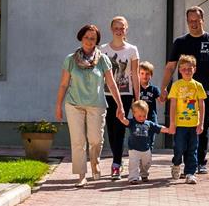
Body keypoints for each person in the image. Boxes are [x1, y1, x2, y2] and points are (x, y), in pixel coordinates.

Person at [54, 24, 125, 188]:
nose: (89, 41)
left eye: (92, 38)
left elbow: (112, 84)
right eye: (86, 37)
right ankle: (81, 175)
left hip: (96, 104)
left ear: (97, 41)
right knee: (78, 141)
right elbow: (64, 85)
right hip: (74, 104)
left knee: (96, 139)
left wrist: (120, 105)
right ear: (81, 38)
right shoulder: (70, 59)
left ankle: (95, 162)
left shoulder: (102, 59)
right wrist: (58, 105)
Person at [160, 6, 209, 174]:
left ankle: (200, 162)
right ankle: (183, 162)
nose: (193, 24)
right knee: (182, 129)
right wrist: (164, 87)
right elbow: (170, 67)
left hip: (204, 94)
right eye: (190, 21)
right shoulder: (180, 42)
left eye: (196, 21)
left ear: (202, 20)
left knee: (201, 127)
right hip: (182, 96)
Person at [100, 16, 140, 180]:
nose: (119, 30)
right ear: (111, 29)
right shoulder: (103, 49)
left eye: (122, 28)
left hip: (125, 94)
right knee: (111, 128)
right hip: (107, 94)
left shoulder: (132, 50)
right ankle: (117, 159)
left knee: (121, 127)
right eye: (116, 28)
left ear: (126, 29)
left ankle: (116, 163)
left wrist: (137, 98)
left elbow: (135, 75)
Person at [167, 55, 206, 184]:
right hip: (179, 124)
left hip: (193, 124)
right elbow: (172, 105)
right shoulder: (176, 85)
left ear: (194, 69)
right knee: (179, 147)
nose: (187, 71)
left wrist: (201, 123)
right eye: (184, 69)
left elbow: (201, 105)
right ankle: (177, 164)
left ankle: (190, 173)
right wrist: (172, 123)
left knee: (192, 149)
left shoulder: (198, 86)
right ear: (180, 70)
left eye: (190, 68)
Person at [119, 100, 174, 183]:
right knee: (133, 163)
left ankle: (144, 174)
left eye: (144, 116)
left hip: (146, 149)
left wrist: (168, 130)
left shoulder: (149, 123)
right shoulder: (132, 122)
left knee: (147, 163)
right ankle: (133, 178)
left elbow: (159, 128)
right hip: (134, 149)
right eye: (139, 116)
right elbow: (125, 122)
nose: (142, 118)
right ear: (134, 114)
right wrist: (122, 118)